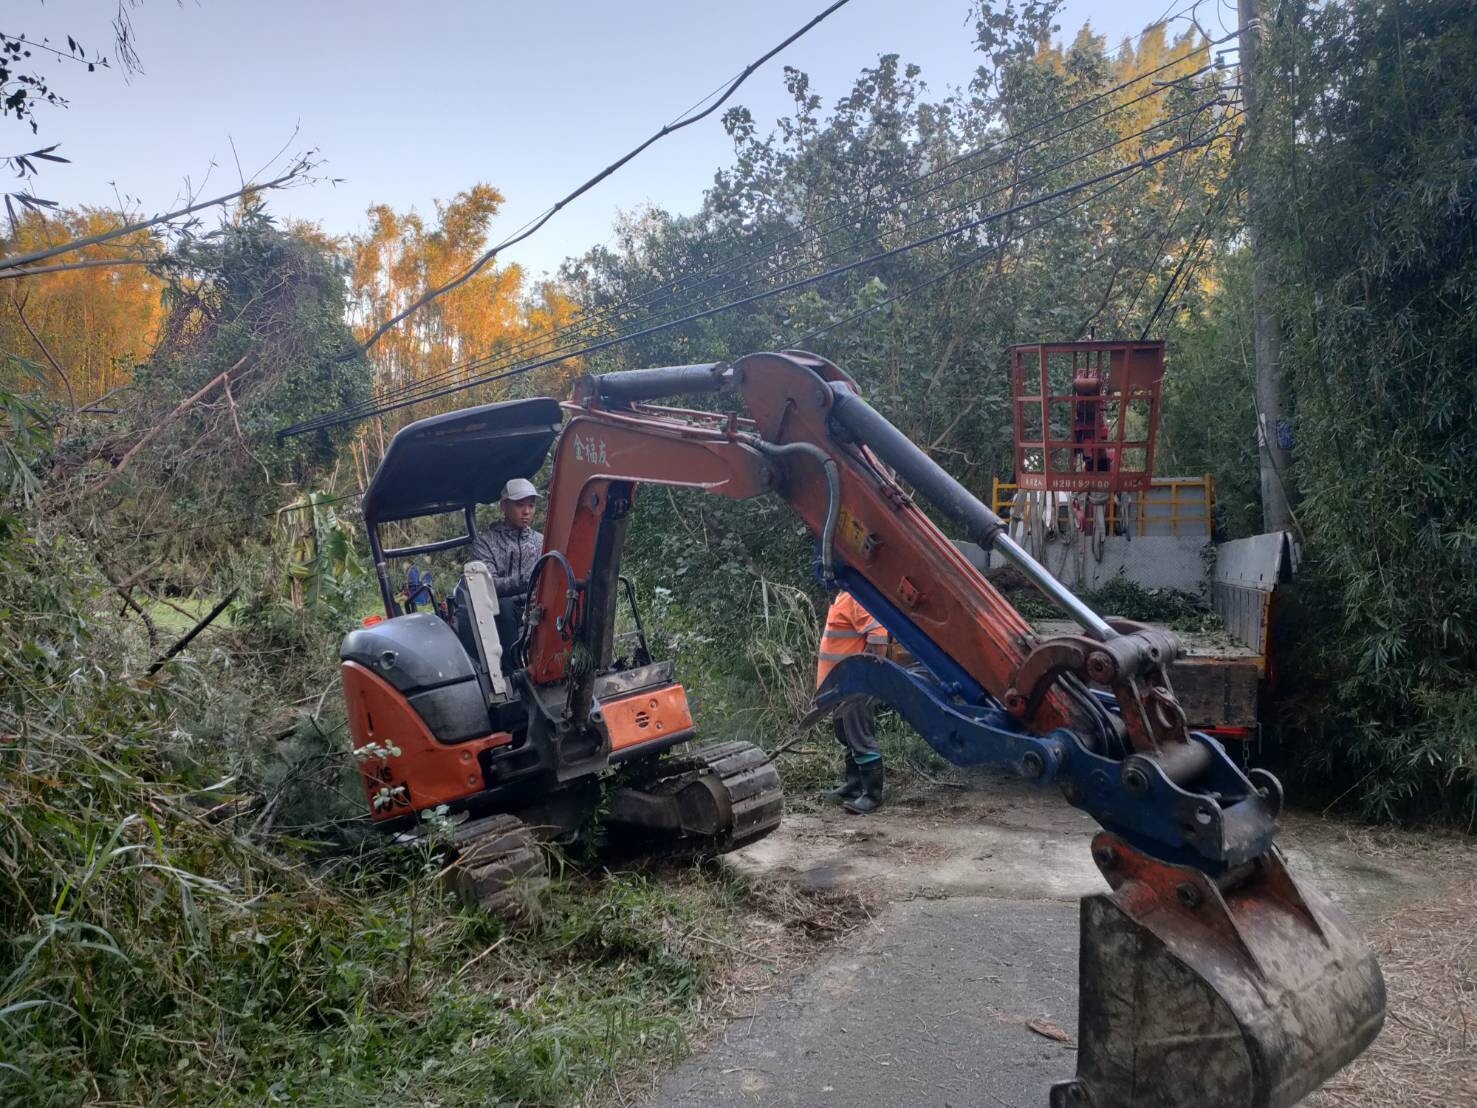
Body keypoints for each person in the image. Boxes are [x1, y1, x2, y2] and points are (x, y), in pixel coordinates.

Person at [814, 591, 889, 814]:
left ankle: (872, 796)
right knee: (845, 732)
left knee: (859, 736)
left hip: (855, 685)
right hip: (840, 686)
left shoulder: (857, 596)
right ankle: (854, 784)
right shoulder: (844, 595)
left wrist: (869, 673)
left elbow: (877, 632)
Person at [471, 478, 544, 599]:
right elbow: (487, 585)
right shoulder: (484, 543)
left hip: (538, 610)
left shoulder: (541, 541)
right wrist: (526, 580)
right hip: (501, 613)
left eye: (531, 506)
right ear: (504, 506)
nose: (526, 512)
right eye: (519, 505)